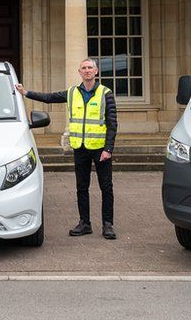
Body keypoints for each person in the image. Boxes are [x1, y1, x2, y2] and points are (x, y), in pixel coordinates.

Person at [16, 58, 118, 239]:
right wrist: (26, 93)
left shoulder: (105, 93)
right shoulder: (72, 92)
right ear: (79, 72)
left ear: (96, 72)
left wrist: (108, 149)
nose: (87, 71)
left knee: (106, 188)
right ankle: (85, 223)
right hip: (80, 147)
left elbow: (112, 123)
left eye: (90, 68)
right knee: (81, 187)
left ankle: (108, 224)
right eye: (83, 68)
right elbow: (49, 98)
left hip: (100, 148)